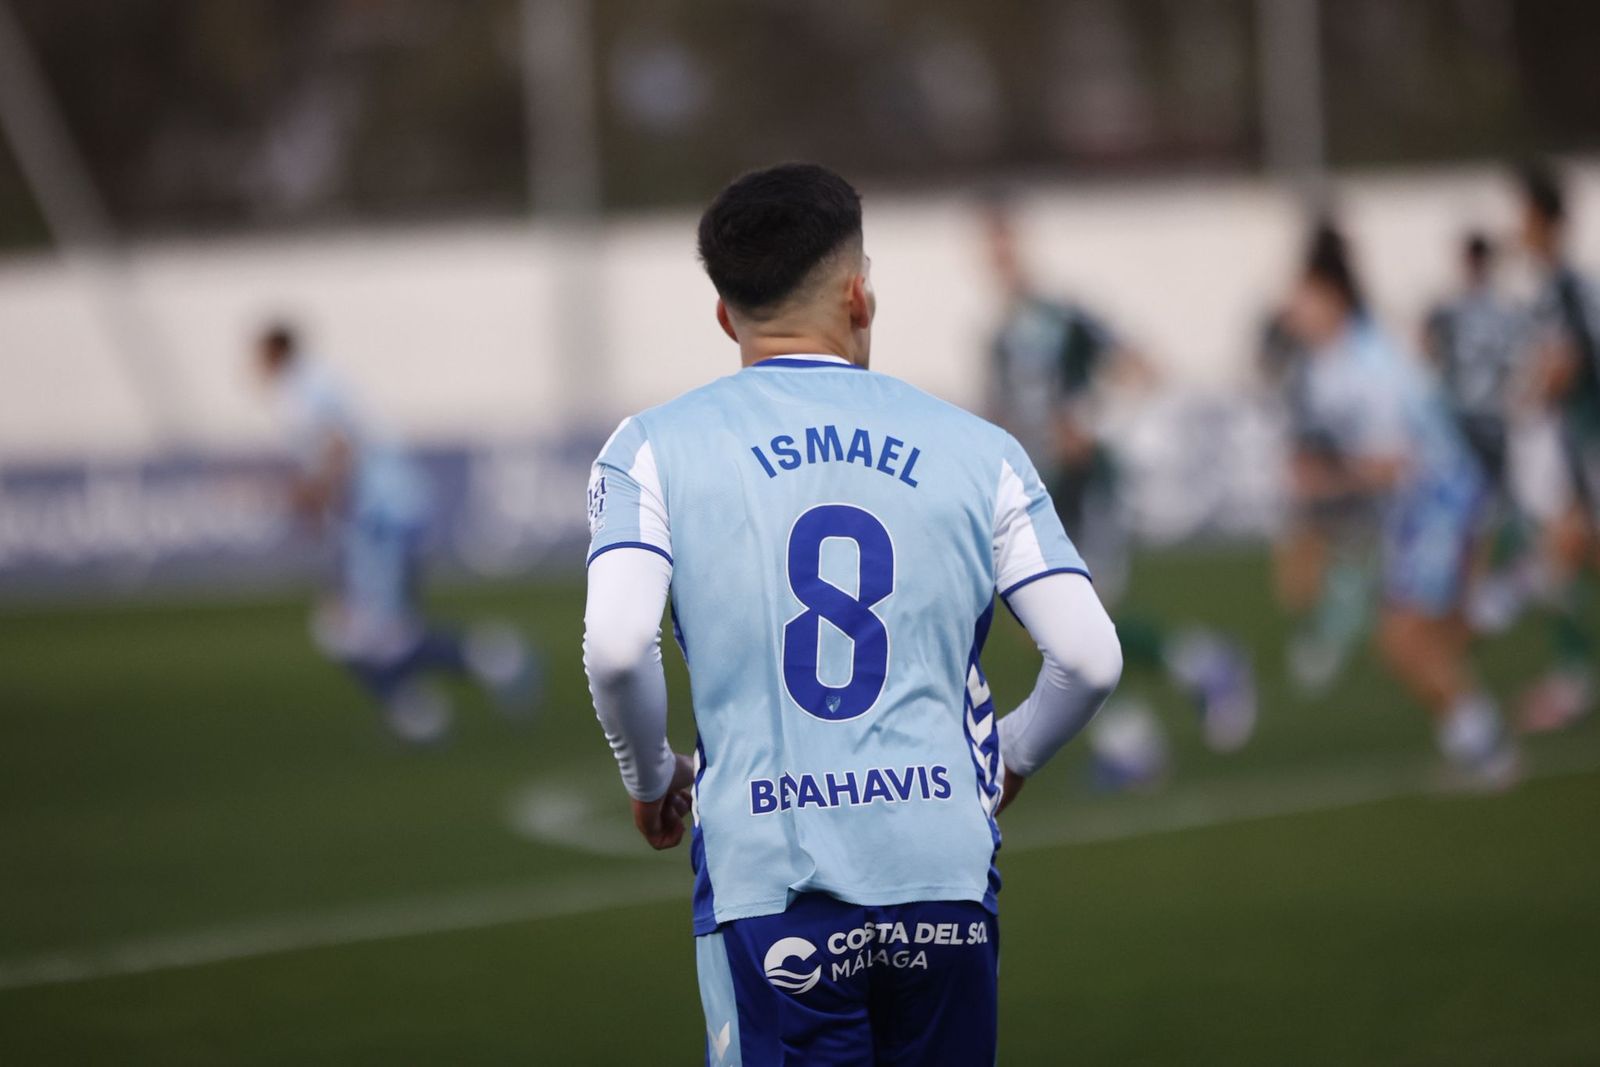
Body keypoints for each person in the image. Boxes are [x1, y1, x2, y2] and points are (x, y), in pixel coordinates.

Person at [582, 164, 1122, 1065]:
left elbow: (617, 649)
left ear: (726, 316)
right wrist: (1013, 760)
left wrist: (649, 779)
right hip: (942, 869)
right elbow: (1089, 657)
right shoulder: (981, 449)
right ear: (861, 295)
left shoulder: (647, 449)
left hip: (771, 882)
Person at [980, 199, 1255, 760]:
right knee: (1049, 624)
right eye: (990, 247)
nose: (998, 257)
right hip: (1040, 488)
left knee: (1085, 615)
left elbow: (1140, 364)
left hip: (1087, 482)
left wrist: (1091, 423)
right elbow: (1007, 410)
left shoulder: (1065, 317)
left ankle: (1161, 715)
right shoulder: (1002, 339)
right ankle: (1168, 704)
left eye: (1003, 242)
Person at [1280, 224, 1514, 783]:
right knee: (1414, 640)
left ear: (1332, 299)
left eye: (1302, 298)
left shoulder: (1368, 365)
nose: (1292, 310)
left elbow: (1395, 463)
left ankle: (1489, 752)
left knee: (1404, 640)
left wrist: (1325, 484)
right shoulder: (1326, 367)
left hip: (1440, 498)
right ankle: (1478, 738)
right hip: (1418, 506)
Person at [254, 323, 537, 743]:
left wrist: (315, 495)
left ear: (273, 353)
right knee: (362, 628)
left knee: (362, 630)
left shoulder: (300, 390)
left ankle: (456, 682)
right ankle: (444, 688)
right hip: (382, 513)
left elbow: (339, 448)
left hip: (378, 517)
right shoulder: (317, 380)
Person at [1515, 162, 1600, 732]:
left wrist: (1526, 396)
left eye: (1523, 216)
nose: (1516, 228)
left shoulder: (1564, 287)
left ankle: (1573, 678)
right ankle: (1572, 676)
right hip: (1579, 441)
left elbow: (1567, 366)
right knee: (1561, 555)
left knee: (1557, 555)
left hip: (1588, 440)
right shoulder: (1566, 285)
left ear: (1544, 222)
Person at [1421, 232, 1533, 634]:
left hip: (1464, 419)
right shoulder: (1508, 308)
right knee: (1485, 510)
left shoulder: (1450, 309)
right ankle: (1477, 590)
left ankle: (1467, 592)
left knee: (1468, 510)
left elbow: (1427, 348)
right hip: (1494, 418)